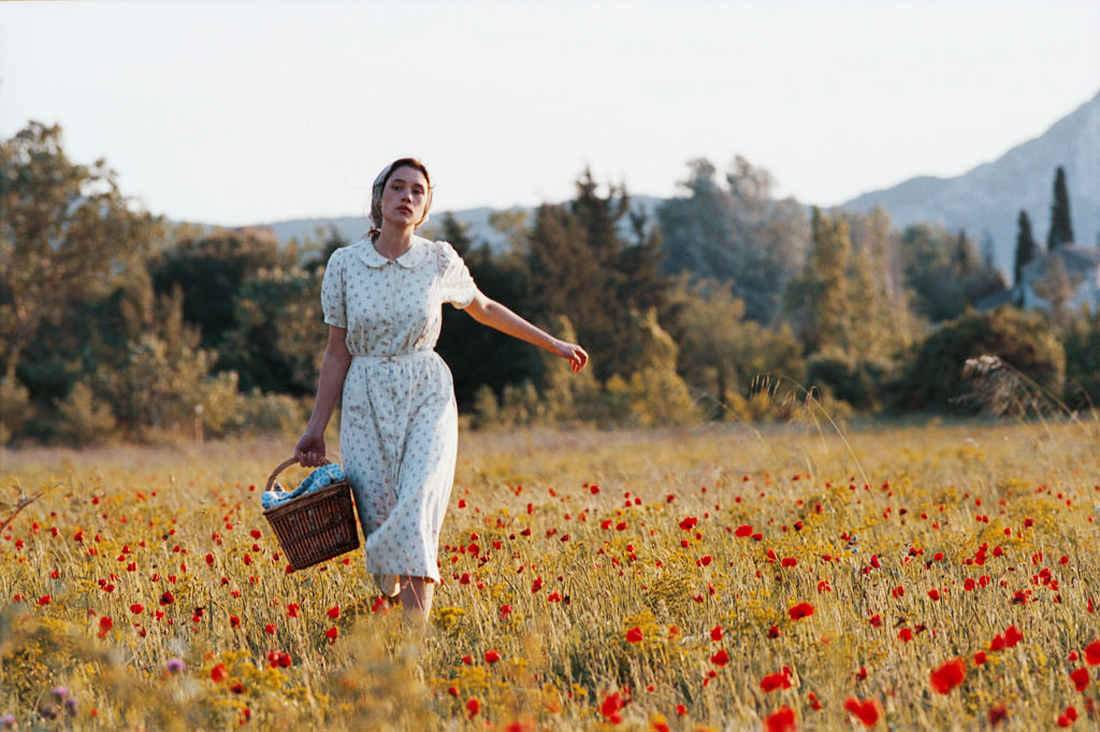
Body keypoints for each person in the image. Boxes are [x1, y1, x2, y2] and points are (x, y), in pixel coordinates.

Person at [294, 157, 588, 623]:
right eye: (397, 187)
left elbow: (485, 308)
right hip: (365, 397)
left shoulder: (437, 259)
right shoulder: (345, 265)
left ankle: (415, 653)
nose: (406, 196)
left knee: (417, 508)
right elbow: (336, 352)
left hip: (426, 391)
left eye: (417, 191)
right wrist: (316, 428)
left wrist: (551, 342)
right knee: (382, 521)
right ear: (379, 197)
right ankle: (396, 615)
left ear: (426, 205)